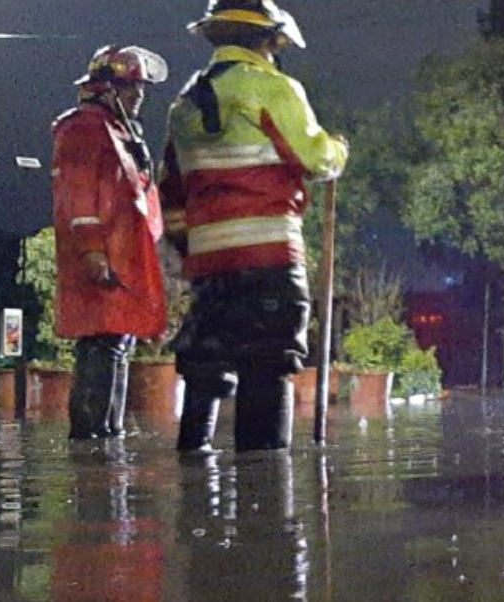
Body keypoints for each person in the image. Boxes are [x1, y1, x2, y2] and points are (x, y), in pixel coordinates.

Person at [160, 0, 349, 452]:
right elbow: (315, 157)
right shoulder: (273, 87)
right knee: (268, 363)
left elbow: (170, 191)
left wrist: (193, 253)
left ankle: (194, 472)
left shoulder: (183, 106)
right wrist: (339, 149)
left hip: (208, 264)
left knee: (205, 361)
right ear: (268, 41)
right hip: (269, 257)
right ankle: (264, 493)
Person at [52, 46, 169, 439]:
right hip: (102, 259)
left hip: (123, 258)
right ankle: (90, 442)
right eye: (131, 87)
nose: (140, 96)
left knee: (118, 344)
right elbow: (78, 195)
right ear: (106, 89)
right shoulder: (83, 129)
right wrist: (93, 252)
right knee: (100, 347)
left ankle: (108, 434)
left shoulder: (117, 131)